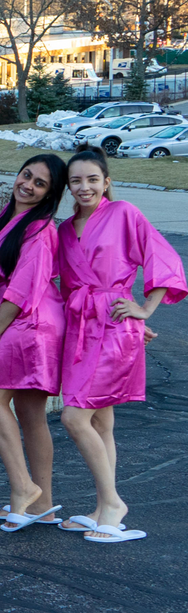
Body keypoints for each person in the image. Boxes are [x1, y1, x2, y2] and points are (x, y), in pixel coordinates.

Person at [55, 149, 186, 543]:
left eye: (93, 179)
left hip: (113, 324)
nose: (84, 187)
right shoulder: (64, 230)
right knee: (100, 421)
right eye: (76, 181)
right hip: (79, 327)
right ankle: (101, 507)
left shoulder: (125, 213)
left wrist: (145, 310)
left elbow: (162, 257)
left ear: (107, 181)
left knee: (74, 418)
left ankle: (113, 503)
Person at [0, 154, 68, 529]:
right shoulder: (10, 218)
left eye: (39, 183)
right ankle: (41, 501)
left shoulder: (41, 229)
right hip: (30, 317)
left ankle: (21, 487)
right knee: (31, 414)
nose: (27, 185)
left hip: (30, 322)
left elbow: (22, 286)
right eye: (26, 175)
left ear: (50, 194)